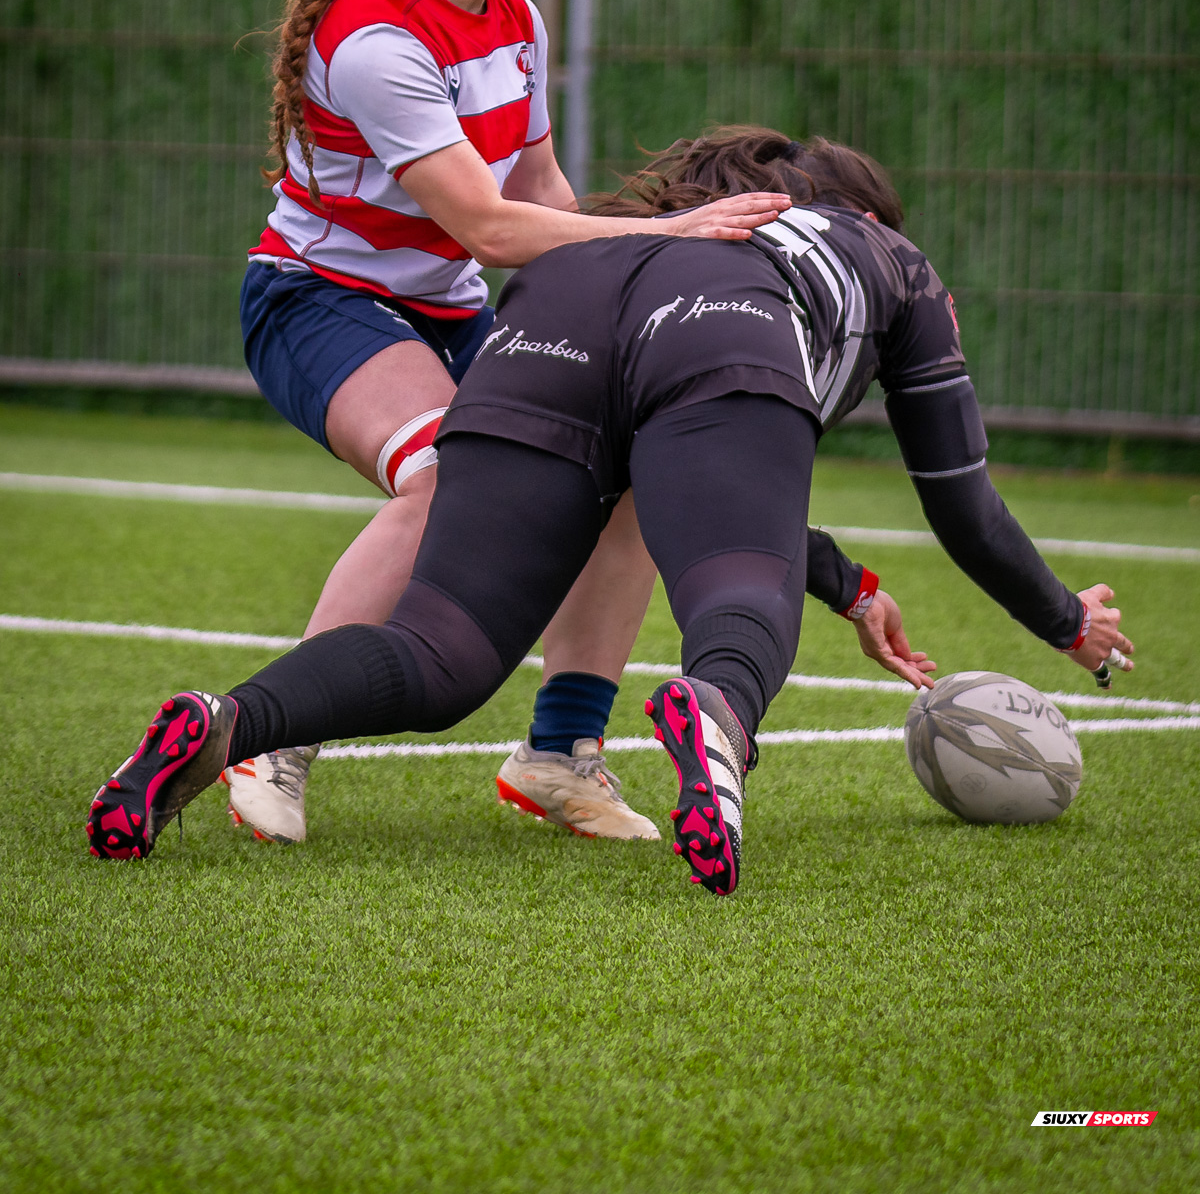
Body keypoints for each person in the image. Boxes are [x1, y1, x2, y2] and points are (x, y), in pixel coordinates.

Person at [88, 129, 1133, 894]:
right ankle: (716, 711)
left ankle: (232, 722)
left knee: (440, 647)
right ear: (868, 213)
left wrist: (849, 586)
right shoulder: (893, 264)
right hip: (719, 334)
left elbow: (679, 482)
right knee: (735, 599)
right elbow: (960, 504)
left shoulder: (640, 232)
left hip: (560, 301)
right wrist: (1063, 619)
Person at [227, 0, 803, 847]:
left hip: (447, 307)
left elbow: (539, 189)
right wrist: (671, 239)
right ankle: (273, 740)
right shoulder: (375, 42)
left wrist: (622, 311)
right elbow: (491, 228)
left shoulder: (518, 20)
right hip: (321, 303)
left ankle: (559, 755)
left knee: (619, 464)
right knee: (446, 473)